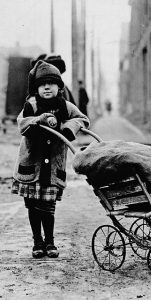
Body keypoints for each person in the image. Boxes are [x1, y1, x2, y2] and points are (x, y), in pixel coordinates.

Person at [11, 60, 90, 259]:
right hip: (32, 164)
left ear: (59, 86)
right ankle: (37, 241)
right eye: (42, 84)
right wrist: (38, 120)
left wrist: (68, 127)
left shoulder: (65, 106)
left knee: (48, 206)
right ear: (36, 88)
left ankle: (50, 241)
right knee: (32, 204)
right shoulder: (31, 105)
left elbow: (82, 119)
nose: (47, 87)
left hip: (53, 165)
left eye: (52, 83)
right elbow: (22, 124)